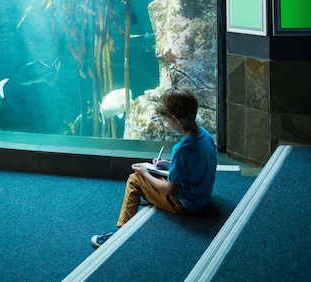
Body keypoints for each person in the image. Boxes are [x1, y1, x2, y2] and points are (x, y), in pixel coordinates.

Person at [91, 85, 217, 248]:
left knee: (135, 180)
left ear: (176, 119)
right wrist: (167, 165)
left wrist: (146, 173)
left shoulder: (181, 149)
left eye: (167, 120)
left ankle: (119, 233)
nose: (167, 124)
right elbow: (192, 165)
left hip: (185, 204)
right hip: (202, 197)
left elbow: (171, 190)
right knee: (155, 173)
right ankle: (150, 193)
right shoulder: (206, 136)